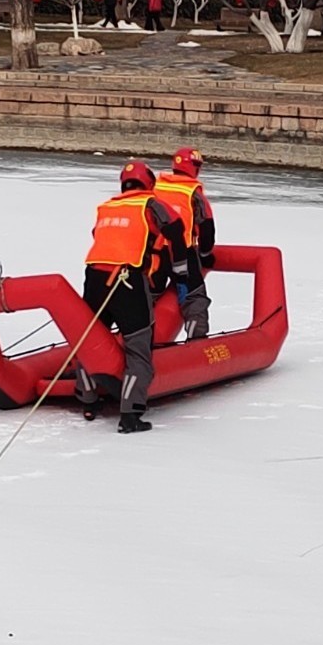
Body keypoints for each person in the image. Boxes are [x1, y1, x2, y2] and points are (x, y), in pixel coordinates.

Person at [81, 161, 192, 433]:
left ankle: (87, 399)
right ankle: (130, 414)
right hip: (127, 280)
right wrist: (180, 272)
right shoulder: (151, 204)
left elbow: (100, 236)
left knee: (90, 339)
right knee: (139, 346)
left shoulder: (107, 207)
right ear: (149, 183)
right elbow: (176, 232)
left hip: (94, 279)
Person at [153, 146, 216, 339]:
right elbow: (206, 229)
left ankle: (136, 339)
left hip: (152, 253)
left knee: (148, 297)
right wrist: (205, 255)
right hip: (182, 253)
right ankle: (196, 340)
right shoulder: (193, 193)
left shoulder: (155, 187)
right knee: (194, 296)